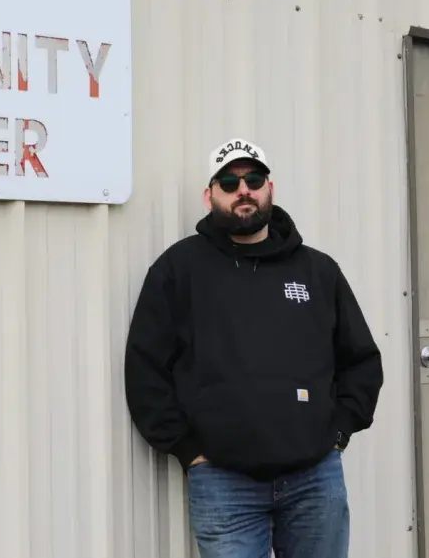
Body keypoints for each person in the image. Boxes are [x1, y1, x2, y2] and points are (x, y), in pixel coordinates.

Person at [123, 137, 384, 558]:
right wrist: (186, 448)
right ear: (210, 196)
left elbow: (361, 359)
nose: (243, 190)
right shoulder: (179, 270)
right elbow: (145, 366)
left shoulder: (317, 271)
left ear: (270, 189)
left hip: (315, 479)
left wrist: (339, 431)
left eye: (254, 180)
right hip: (223, 482)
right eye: (229, 183)